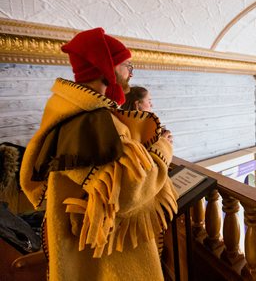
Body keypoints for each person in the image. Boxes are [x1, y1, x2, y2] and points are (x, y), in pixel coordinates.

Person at [20, 28, 178, 280]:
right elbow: (125, 192)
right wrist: (162, 149)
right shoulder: (93, 124)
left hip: (91, 256)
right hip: (110, 262)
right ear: (107, 66)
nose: (131, 72)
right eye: (127, 64)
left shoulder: (71, 115)